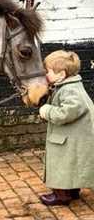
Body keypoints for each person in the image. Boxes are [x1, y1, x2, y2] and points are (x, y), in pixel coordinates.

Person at [39, 50, 94, 206]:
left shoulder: (70, 90)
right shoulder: (68, 85)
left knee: (60, 164)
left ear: (61, 74)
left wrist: (47, 110)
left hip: (70, 138)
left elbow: (66, 113)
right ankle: (72, 190)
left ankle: (61, 195)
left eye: (48, 71)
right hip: (74, 136)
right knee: (73, 163)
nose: (46, 75)